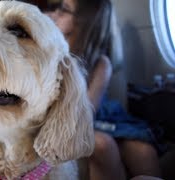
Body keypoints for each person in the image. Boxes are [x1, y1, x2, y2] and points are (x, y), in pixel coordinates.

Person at [48, 0, 162, 179]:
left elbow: (84, 113)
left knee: (144, 151)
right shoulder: (49, 55)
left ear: (83, 21)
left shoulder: (101, 64)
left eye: (63, 10)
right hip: (68, 121)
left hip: (93, 118)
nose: (54, 14)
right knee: (103, 144)